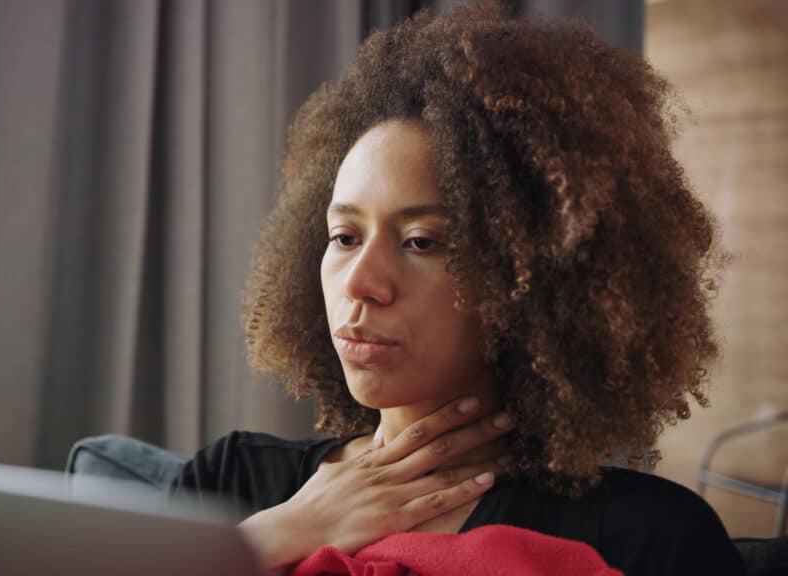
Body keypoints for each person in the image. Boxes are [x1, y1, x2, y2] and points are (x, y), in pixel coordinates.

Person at [169, 3, 745, 575]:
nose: (361, 283)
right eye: (344, 237)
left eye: (421, 242)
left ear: (533, 279)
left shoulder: (648, 539)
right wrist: (278, 533)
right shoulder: (231, 484)